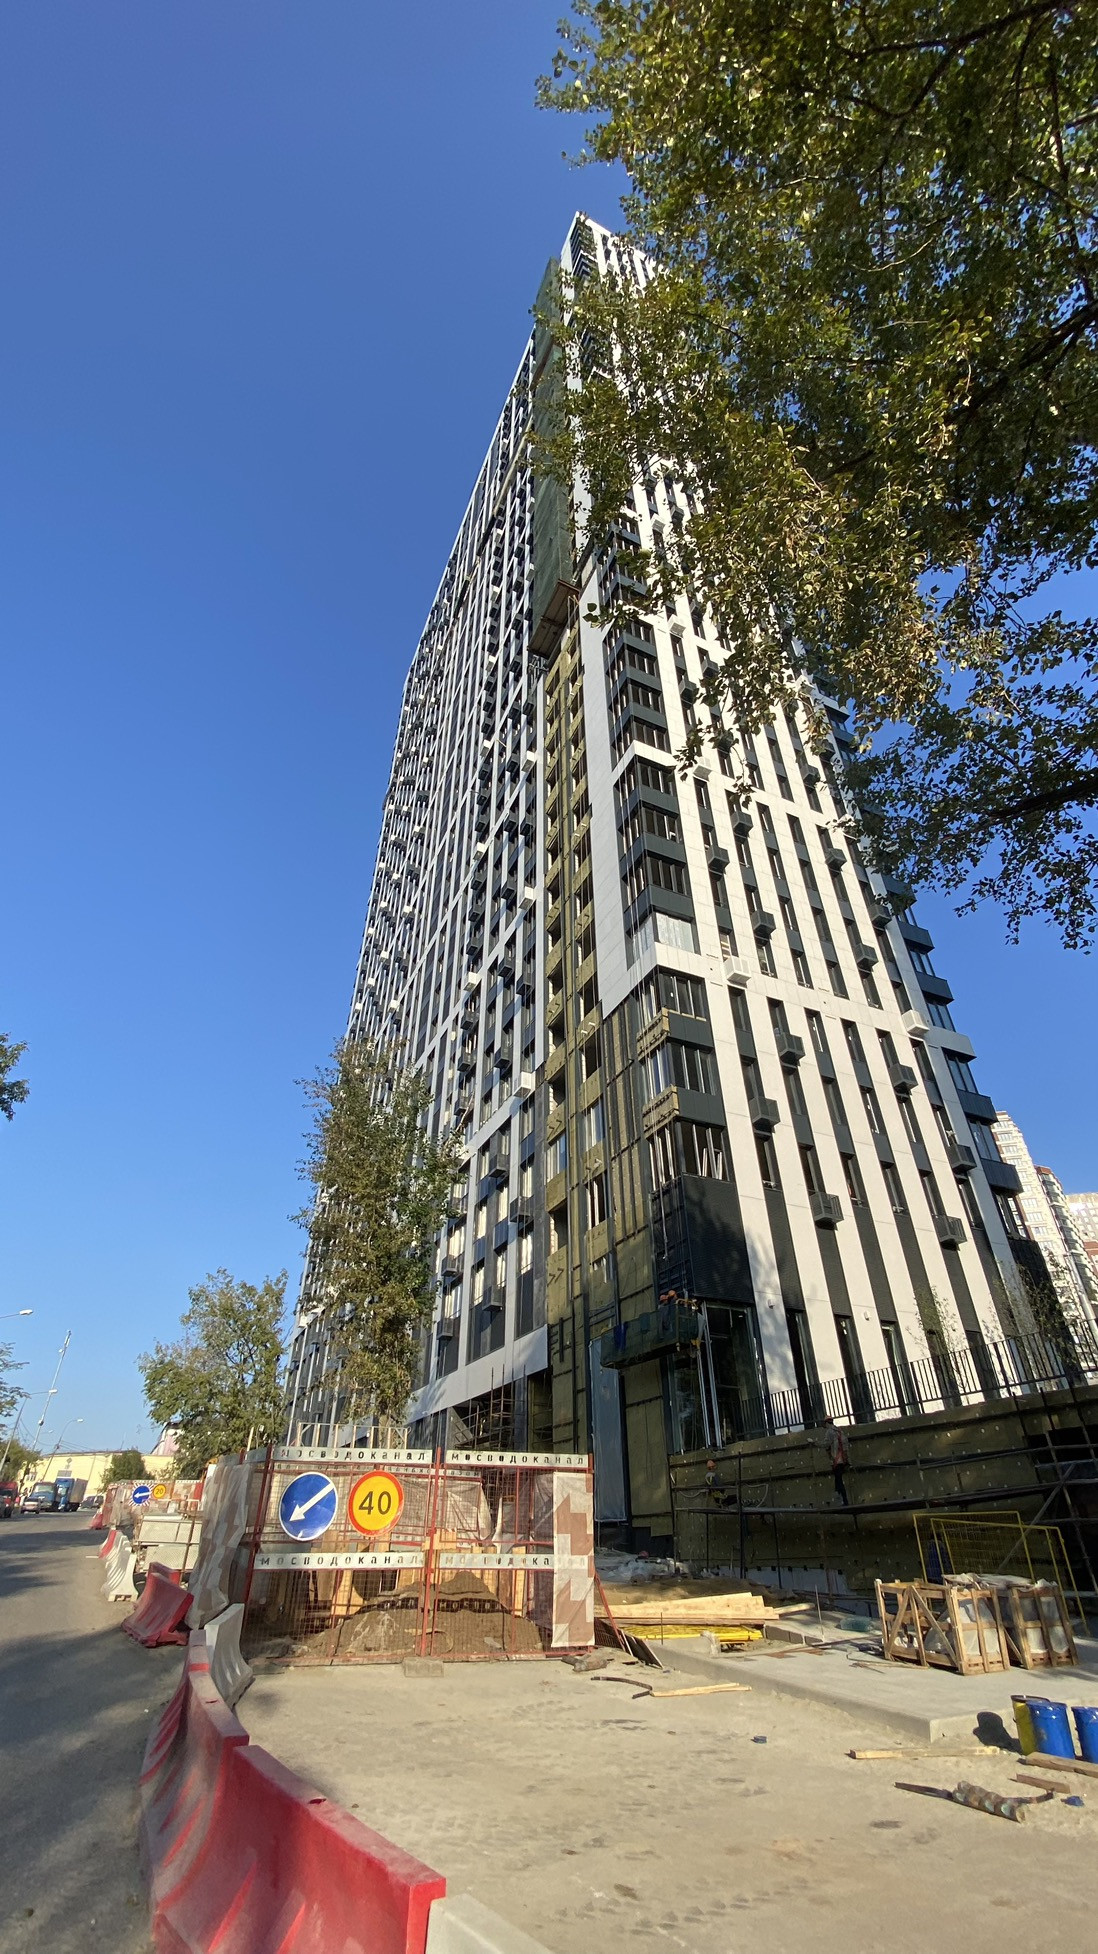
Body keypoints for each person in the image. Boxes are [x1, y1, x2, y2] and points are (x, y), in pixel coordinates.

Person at [822, 1417, 851, 1506]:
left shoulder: (829, 1432)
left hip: (836, 1460)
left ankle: (844, 1501)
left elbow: (826, 1444)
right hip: (842, 1459)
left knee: (838, 1481)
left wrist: (814, 1443)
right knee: (838, 1480)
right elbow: (845, 1444)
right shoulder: (839, 1431)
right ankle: (842, 1500)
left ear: (826, 1423)